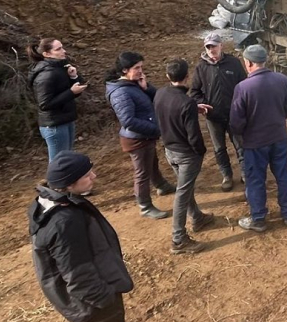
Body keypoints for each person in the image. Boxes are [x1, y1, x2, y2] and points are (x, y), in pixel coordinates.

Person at [28, 151, 147, 322]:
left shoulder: (47, 203)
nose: (93, 176)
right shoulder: (65, 221)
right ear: (69, 184)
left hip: (73, 304)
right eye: (87, 175)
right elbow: (77, 275)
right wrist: (103, 297)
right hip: (91, 299)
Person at [229, 44, 287, 232]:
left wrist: (244, 132)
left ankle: (258, 219)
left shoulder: (243, 87)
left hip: (255, 142)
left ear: (249, 63)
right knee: (282, 174)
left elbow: (236, 122)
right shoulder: (282, 80)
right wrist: (277, 118)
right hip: (279, 137)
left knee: (256, 179)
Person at [105, 52, 174, 219]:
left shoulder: (132, 85)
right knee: (142, 172)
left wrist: (146, 87)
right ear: (124, 70)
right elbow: (128, 120)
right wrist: (156, 129)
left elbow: (157, 97)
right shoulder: (120, 93)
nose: (141, 71)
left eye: (141, 67)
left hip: (145, 135)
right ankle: (145, 206)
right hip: (136, 138)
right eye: (137, 68)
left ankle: (161, 185)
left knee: (152, 161)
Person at [155, 58, 214, 255]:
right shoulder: (186, 103)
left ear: (167, 76)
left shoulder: (160, 93)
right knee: (182, 193)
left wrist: (192, 108)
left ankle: (197, 217)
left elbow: (170, 110)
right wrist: (201, 151)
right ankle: (178, 239)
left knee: (184, 188)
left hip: (169, 151)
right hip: (186, 155)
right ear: (187, 76)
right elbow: (194, 136)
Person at [189, 33, 247, 191]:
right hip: (213, 117)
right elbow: (194, 92)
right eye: (208, 47)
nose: (211, 49)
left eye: (214, 45)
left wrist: (241, 106)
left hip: (234, 114)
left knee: (240, 145)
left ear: (221, 45)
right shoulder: (201, 67)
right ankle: (226, 176)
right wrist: (202, 104)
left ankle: (245, 173)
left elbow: (244, 86)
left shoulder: (234, 63)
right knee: (219, 148)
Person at [27, 38, 88, 160]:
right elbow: (44, 104)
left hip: (65, 120)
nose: (64, 51)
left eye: (62, 47)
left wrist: (74, 77)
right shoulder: (46, 74)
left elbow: (78, 88)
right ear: (46, 54)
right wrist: (70, 92)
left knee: (66, 159)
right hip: (54, 125)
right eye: (58, 49)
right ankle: (55, 180)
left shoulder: (61, 68)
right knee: (59, 163)